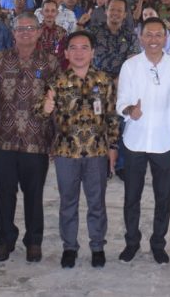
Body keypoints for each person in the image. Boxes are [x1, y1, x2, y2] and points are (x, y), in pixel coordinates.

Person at [0, 12, 59, 263]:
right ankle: (5, 240)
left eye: (30, 28)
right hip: (2, 140)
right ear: (13, 33)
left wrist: (56, 138)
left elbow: (57, 101)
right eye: (20, 28)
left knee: (34, 196)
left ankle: (34, 242)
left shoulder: (50, 62)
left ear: (39, 32)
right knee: (4, 194)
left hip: (36, 141)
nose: (25, 32)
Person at [43, 31, 120, 269]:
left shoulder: (104, 81)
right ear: (66, 53)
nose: (79, 53)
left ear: (93, 52)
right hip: (66, 153)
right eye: (73, 48)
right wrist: (44, 107)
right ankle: (69, 247)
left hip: (97, 152)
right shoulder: (56, 81)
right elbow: (40, 112)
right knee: (68, 202)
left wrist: (113, 146)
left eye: (84, 47)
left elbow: (111, 116)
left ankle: (97, 246)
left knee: (97, 202)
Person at [116, 17, 170, 265]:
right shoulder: (130, 66)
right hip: (134, 141)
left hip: (164, 141)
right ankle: (131, 242)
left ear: (166, 38)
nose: (153, 39)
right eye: (149, 34)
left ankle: (158, 243)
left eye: (159, 35)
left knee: (163, 197)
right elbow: (121, 101)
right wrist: (130, 111)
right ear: (141, 37)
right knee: (131, 197)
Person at [87, 0, 140, 77]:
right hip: (95, 78)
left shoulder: (131, 35)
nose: (115, 13)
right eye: (112, 9)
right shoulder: (92, 31)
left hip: (122, 79)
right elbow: (83, 54)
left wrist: (119, 79)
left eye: (119, 10)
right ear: (106, 11)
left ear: (125, 14)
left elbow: (133, 62)